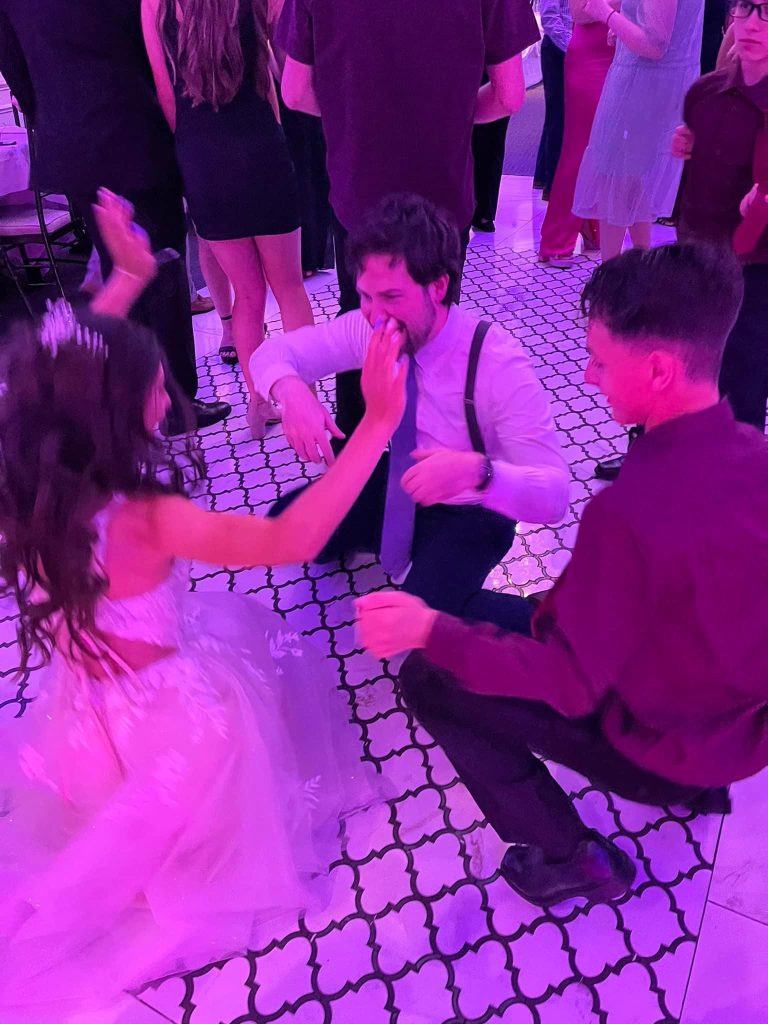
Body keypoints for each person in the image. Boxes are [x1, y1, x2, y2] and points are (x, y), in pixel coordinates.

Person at [0, 191, 405, 1022]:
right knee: (258, 669)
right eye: (154, 385)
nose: (164, 391)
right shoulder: (147, 519)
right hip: (172, 726)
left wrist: (127, 276)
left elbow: (59, 371)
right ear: (121, 410)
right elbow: (293, 537)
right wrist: (376, 426)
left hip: (83, 714)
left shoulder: (31, 477)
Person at [356, 243, 768, 908]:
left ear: (659, 369)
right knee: (483, 613)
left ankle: (570, 857)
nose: (588, 375)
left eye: (601, 360)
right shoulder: (755, 455)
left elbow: (570, 683)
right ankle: (697, 787)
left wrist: (429, 630)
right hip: (731, 731)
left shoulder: (631, 512)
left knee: (428, 675)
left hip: (655, 741)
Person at [251, 194, 570, 628]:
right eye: (366, 296)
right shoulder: (368, 328)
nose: (375, 315)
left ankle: (551, 626)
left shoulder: (497, 363)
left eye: (392, 296)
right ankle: (389, 541)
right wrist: (291, 391)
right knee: (286, 526)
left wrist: (479, 472)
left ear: (438, 287)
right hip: (400, 480)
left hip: (472, 508)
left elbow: (554, 496)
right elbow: (273, 354)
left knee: (418, 624)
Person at [276, 0, 539, 441]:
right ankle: (432, 453)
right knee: (435, 327)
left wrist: (349, 114)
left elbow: (295, 91)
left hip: (360, 187)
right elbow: (510, 94)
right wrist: (452, 116)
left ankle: (357, 453)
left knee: (361, 323)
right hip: (442, 191)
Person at [0, 0, 229, 435]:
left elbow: (17, 72)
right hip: (135, 128)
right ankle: (175, 402)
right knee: (162, 266)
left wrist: (53, 117)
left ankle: (137, 401)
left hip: (72, 142)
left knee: (117, 268)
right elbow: (151, 47)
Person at [141, 0, 314, 437]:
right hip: (261, 147)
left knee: (247, 295)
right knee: (290, 288)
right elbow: (281, 69)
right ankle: (306, 399)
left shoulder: (154, 5)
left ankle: (259, 404)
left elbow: (166, 96)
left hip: (202, 159)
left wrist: (194, 148)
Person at [676, 0, 768, 432]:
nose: (752, 24)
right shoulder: (705, 94)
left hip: (756, 271)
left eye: (767, 12)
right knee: (692, 376)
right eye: (745, 8)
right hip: (699, 259)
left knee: (742, 387)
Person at [572, 0, 704, 260]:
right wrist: (622, 26)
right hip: (648, 83)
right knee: (630, 180)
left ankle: (611, 274)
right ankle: (640, 266)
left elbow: (654, 45)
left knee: (618, 180)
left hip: (643, 87)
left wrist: (606, 14)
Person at [538, 0, 615, 266]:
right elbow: (578, 12)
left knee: (607, 151)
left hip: (622, 57)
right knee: (579, 150)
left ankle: (590, 224)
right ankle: (555, 241)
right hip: (590, 60)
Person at [533, 0, 575, 200]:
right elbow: (549, 19)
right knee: (558, 117)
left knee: (556, 116)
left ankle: (542, 177)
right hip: (558, 50)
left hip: (568, 46)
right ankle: (553, 185)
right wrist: (573, 47)